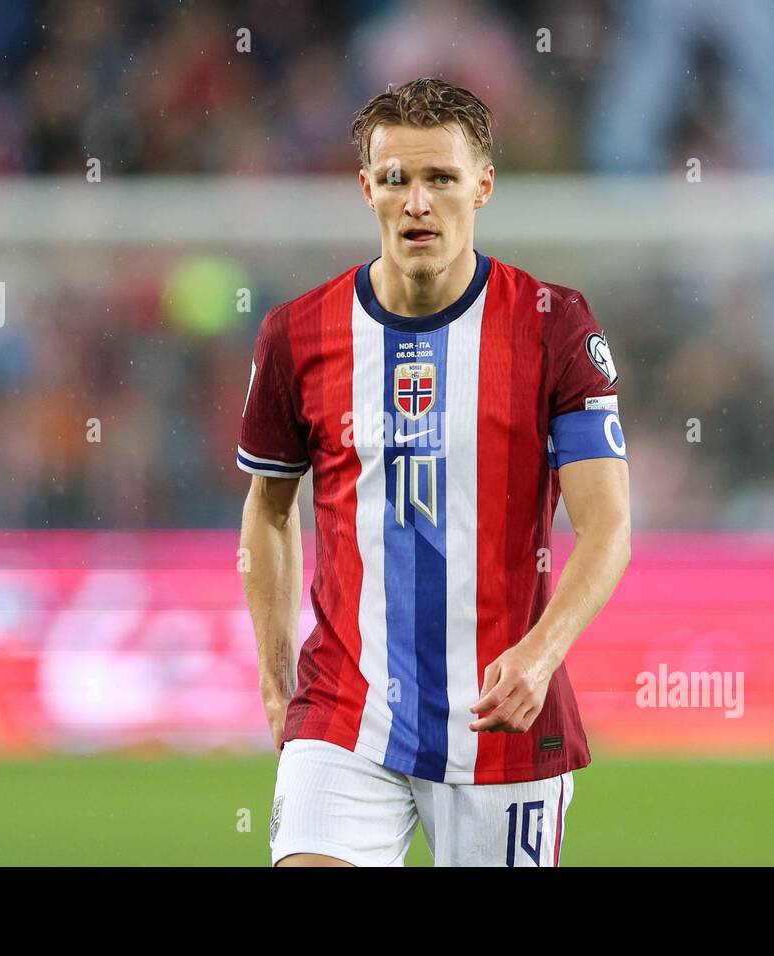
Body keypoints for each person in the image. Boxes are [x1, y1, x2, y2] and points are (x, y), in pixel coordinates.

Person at [237, 77, 631, 867]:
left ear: (482, 186)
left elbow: (607, 526)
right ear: (366, 190)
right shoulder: (297, 334)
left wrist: (540, 654)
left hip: (503, 723)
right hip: (344, 710)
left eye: (441, 179)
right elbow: (270, 510)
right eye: (397, 179)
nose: (418, 202)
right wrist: (278, 681)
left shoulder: (553, 326)